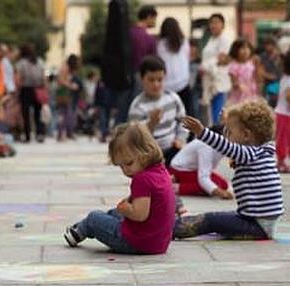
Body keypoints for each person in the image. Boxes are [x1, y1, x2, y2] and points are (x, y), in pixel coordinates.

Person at [174, 101, 282, 240]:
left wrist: (202, 132)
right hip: (259, 222)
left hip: (257, 225)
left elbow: (227, 146)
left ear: (246, 135)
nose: (227, 135)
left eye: (229, 131)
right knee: (222, 218)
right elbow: (231, 143)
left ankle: (169, 229)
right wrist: (228, 122)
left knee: (210, 220)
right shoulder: (260, 152)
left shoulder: (249, 153)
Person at [63, 122, 175, 255]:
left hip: (137, 242)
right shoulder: (161, 171)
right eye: (121, 166)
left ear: (146, 152)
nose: (126, 170)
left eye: (128, 163)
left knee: (94, 217)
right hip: (159, 243)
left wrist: (126, 208)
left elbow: (140, 215)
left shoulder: (142, 179)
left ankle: (80, 231)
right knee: (114, 213)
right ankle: (85, 226)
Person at [128, 56, 188, 166]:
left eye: (159, 80)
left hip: (173, 149)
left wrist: (180, 139)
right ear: (142, 79)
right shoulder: (137, 106)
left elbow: (183, 121)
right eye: (151, 80)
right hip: (150, 155)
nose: (156, 84)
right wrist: (151, 123)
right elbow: (135, 138)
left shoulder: (173, 98)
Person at [169, 126, 232, 199]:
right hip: (180, 170)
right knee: (212, 184)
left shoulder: (219, 145)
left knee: (223, 184)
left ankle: (178, 182)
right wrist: (221, 193)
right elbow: (203, 178)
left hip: (192, 169)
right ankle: (174, 187)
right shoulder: (206, 146)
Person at [157, 17, 193, 117]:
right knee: (186, 115)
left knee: (169, 115)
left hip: (166, 86)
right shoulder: (184, 42)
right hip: (183, 83)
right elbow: (187, 59)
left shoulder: (160, 45)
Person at [201, 13, 232, 125]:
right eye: (212, 23)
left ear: (223, 25)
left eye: (217, 22)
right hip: (208, 80)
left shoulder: (224, 40)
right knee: (210, 114)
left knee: (218, 114)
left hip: (219, 81)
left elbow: (222, 60)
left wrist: (205, 65)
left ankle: (219, 137)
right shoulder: (211, 40)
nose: (213, 25)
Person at [16, 43, 46, 143]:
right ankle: (39, 134)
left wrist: (17, 90)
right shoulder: (40, 61)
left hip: (26, 90)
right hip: (38, 89)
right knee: (38, 114)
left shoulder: (21, 63)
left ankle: (28, 135)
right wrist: (45, 90)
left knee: (26, 114)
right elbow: (43, 78)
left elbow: (18, 79)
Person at [56, 54, 82, 141]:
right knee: (64, 113)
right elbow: (61, 80)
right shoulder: (65, 67)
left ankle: (66, 133)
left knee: (67, 113)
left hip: (66, 93)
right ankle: (62, 133)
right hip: (63, 93)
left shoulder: (68, 68)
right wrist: (71, 86)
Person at [227, 38, 259, 106]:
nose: (246, 51)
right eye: (242, 48)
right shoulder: (233, 66)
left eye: (248, 48)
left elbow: (254, 77)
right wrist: (239, 85)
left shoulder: (250, 63)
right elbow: (234, 82)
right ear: (236, 50)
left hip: (251, 93)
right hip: (239, 96)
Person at [258, 36, 282, 108]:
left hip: (279, 84)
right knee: (267, 105)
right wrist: (270, 76)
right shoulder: (263, 56)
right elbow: (260, 71)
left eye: (271, 45)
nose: (269, 47)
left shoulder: (280, 56)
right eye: (267, 45)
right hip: (267, 85)